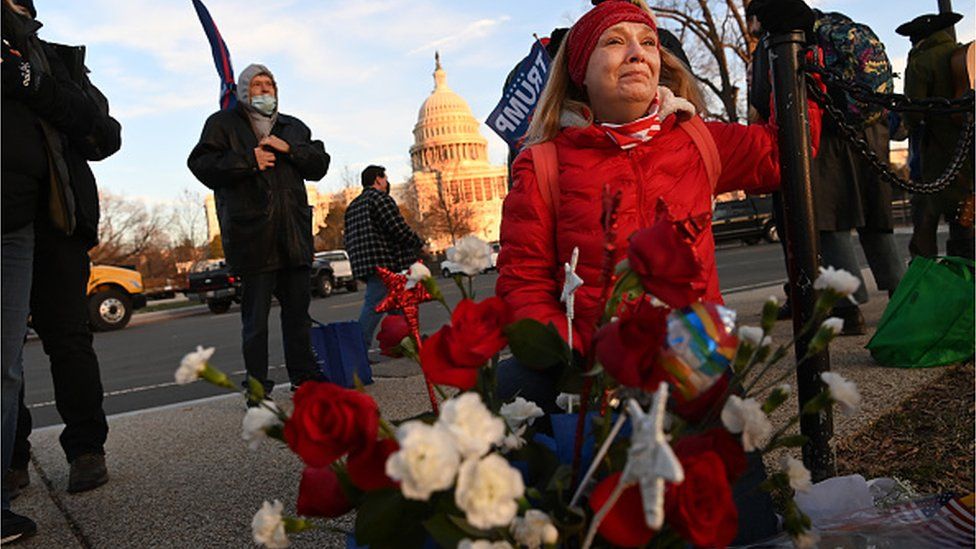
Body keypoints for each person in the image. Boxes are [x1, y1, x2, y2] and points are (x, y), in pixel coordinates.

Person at [2, 0, 121, 538]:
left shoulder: (58, 62)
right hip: (7, 219)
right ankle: (12, 456)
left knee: (68, 339)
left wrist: (32, 82)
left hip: (57, 222)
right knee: (6, 356)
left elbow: (103, 133)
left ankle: (85, 449)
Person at [747, 0, 906, 332]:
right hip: (867, 136)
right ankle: (901, 295)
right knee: (877, 220)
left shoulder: (776, 40)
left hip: (822, 136)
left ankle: (848, 310)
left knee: (830, 223)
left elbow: (764, 96)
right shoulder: (834, 25)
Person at [188, 64, 330, 399]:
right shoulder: (222, 125)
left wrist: (290, 150)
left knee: (298, 317)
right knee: (256, 323)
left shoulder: (292, 127)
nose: (264, 91)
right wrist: (248, 160)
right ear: (243, 90)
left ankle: (303, 379)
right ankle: (257, 388)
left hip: (293, 235)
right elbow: (202, 166)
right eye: (256, 85)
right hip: (253, 237)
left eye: (269, 84)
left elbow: (320, 165)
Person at [898, 12, 974, 260]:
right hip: (967, 147)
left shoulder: (921, 62)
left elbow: (913, 114)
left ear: (917, 39)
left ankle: (924, 272)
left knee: (926, 214)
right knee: (964, 215)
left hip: (936, 153)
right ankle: (966, 272)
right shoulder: (964, 52)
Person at [344, 165, 424, 350]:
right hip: (384, 262)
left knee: (398, 305)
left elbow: (347, 238)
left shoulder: (353, 206)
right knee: (374, 305)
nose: (387, 182)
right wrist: (418, 243)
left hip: (364, 263)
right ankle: (359, 349)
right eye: (385, 179)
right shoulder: (380, 199)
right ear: (378, 179)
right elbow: (397, 229)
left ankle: (408, 342)